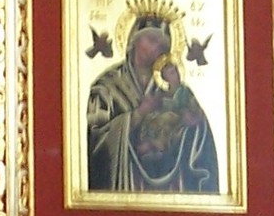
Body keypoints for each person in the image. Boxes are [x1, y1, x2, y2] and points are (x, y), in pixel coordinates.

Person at [86, 16, 219, 197]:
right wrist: (138, 114)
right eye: (152, 40)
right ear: (133, 41)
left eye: (163, 45)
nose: (158, 48)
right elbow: (95, 140)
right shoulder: (106, 86)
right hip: (124, 183)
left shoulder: (173, 86)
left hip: (173, 186)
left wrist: (190, 119)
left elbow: (198, 128)